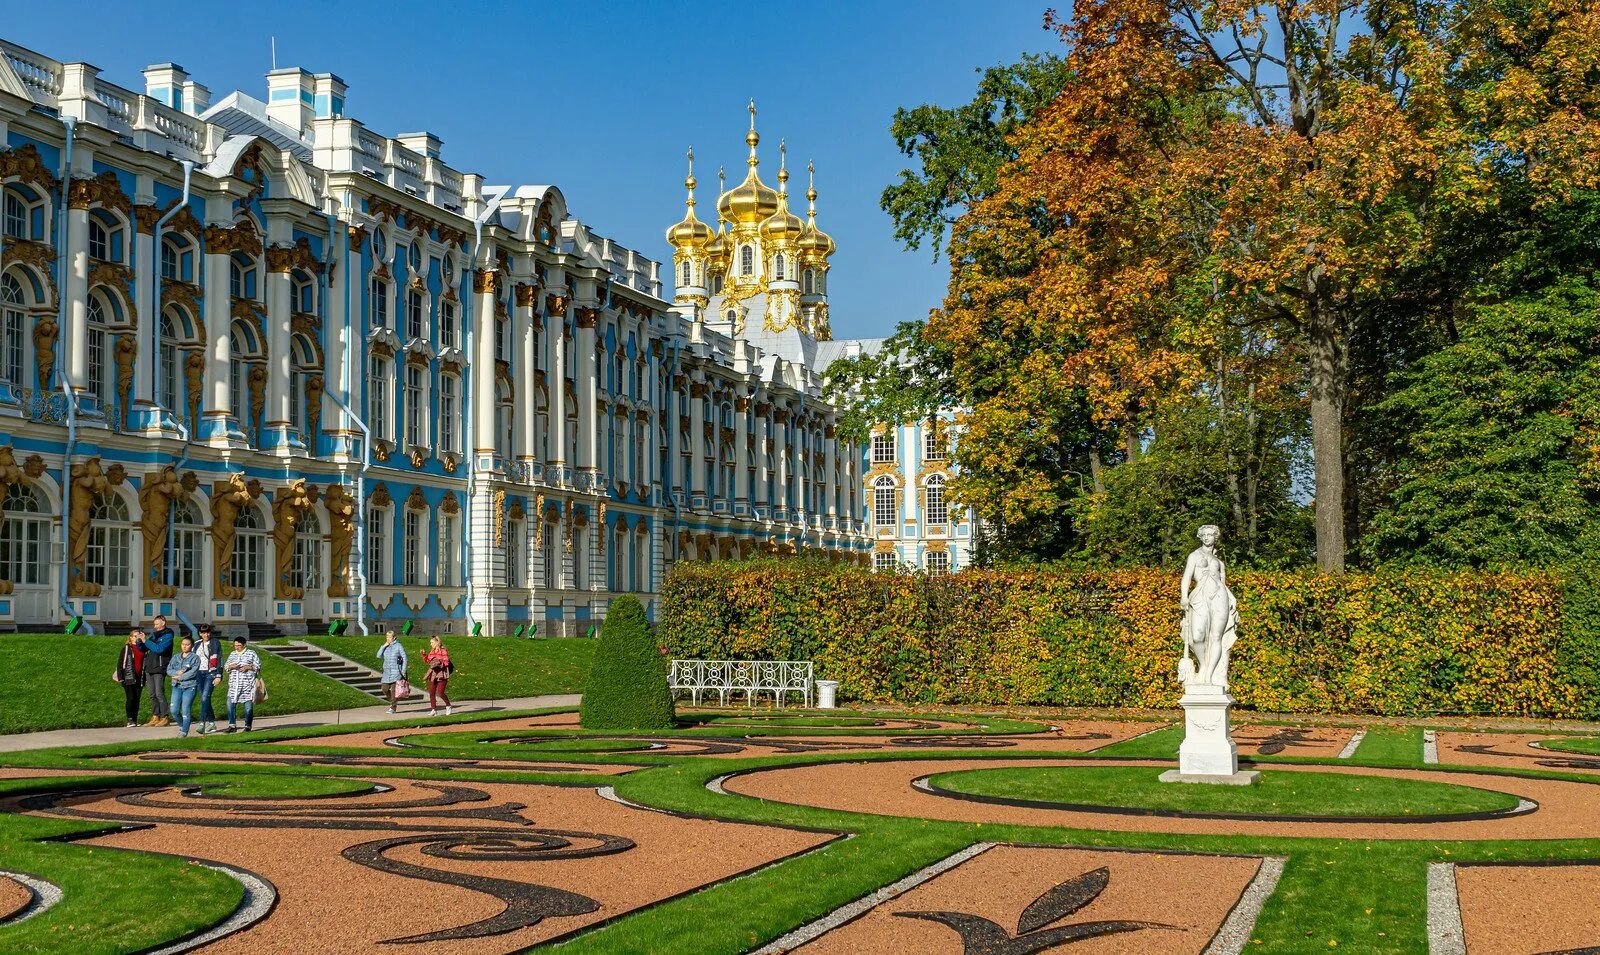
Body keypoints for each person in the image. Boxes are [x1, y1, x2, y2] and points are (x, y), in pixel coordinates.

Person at [1179, 524, 1239, 690]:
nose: (1206, 537)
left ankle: (1210, 676)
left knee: (1216, 637)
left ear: (1215, 537)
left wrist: (1232, 600)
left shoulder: (1220, 563)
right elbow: (1186, 577)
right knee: (1197, 636)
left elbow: (1224, 584)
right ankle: (1203, 666)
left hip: (1220, 597)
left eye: (1210, 535)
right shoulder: (1194, 555)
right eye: (1203, 535)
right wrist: (1184, 596)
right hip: (1200, 595)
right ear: (1200, 537)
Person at [165, 635, 201, 738]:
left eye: (187, 644)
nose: (185, 646)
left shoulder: (195, 658)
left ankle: (184, 731)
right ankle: (183, 726)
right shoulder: (176, 657)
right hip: (176, 686)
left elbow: (193, 672)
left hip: (190, 687)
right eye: (183, 644)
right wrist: (176, 673)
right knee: (174, 710)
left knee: (185, 709)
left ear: (192, 646)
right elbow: (169, 670)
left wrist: (180, 677)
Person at [223, 636, 261, 733]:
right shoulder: (232, 654)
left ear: (244, 645)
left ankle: (247, 726)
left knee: (248, 706)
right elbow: (226, 666)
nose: (237, 647)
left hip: (247, 685)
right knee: (230, 704)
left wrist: (248, 667)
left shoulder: (251, 653)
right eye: (235, 645)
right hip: (233, 685)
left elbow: (258, 666)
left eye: (239, 645)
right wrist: (231, 666)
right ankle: (232, 725)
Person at [142, 615, 174, 726]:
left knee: (159, 693)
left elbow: (159, 649)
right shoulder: (154, 635)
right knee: (152, 694)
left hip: (160, 667)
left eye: (156, 624)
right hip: (150, 667)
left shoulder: (168, 635)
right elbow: (143, 648)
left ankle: (165, 717)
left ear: (163, 623)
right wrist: (139, 642)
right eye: (154, 624)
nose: (155, 627)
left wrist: (146, 641)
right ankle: (155, 716)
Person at [193, 624, 223, 735]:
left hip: (211, 673)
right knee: (204, 699)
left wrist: (219, 675)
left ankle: (202, 723)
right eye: (204, 632)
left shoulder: (215, 643)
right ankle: (212, 723)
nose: (207, 634)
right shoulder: (196, 644)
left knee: (205, 697)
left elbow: (220, 658)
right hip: (199, 674)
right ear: (200, 633)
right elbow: (192, 659)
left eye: (208, 632)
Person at [114, 630, 145, 727]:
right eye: (135, 636)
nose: (136, 638)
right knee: (130, 698)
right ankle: (129, 719)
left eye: (138, 636)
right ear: (130, 638)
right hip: (128, 676)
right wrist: (121, 677)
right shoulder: (127, 648)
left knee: (137, 699)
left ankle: (135, 720)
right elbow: (120, 663)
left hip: (140, 677)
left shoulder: (143, 648)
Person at [376, 630, 408, 715]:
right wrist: (383, 646)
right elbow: (378, 656)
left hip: (396, 672)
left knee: (394, 691)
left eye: (390, 637)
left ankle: (393, 708)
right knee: (384, 689)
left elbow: (404, 658)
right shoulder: (385, 646)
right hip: (386, 672)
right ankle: (393, 703)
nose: (388, 638)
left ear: (394, 638)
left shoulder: (398, 646)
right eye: (387, 637)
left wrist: (403, 670)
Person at [423, 634, 452, 717]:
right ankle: (433, 709)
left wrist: (438, 662)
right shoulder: (432, 651)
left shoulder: (443, 650)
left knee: (440, 692)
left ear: (437, 642)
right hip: (433, 673)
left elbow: (446, 662)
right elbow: (428, 661)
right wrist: (424, 655)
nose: (430, 644)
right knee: (431, 692)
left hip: (441, 673)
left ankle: (448, 705)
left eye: (432, 642)